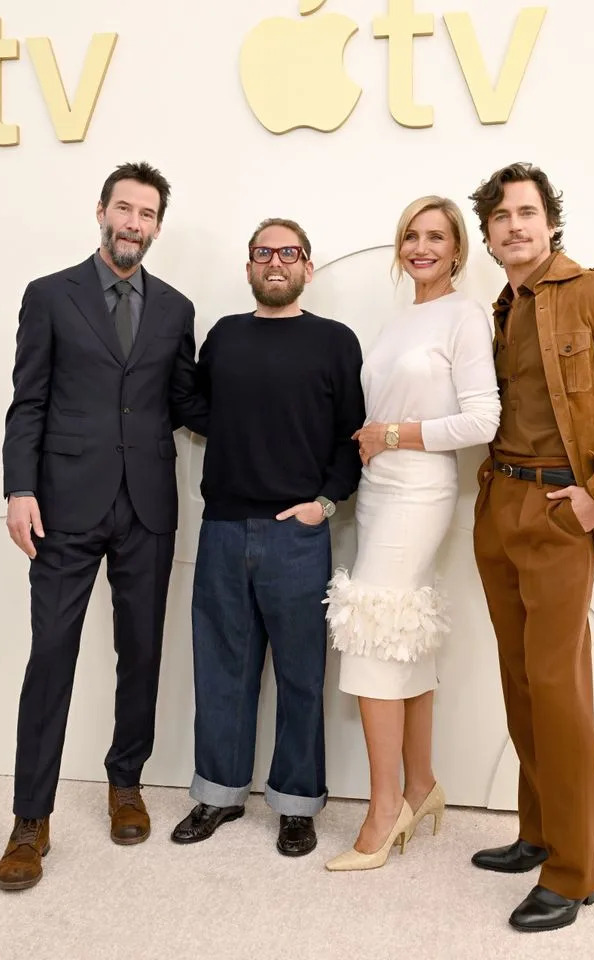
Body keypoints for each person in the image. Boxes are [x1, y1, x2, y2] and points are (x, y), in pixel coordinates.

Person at [468, 162, 594, 932]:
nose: (514, 226)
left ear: (550, 221)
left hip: (561, 510)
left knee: (558, 687)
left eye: (526, 212)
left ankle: (574, 871)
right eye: (501, 217)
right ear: (488, 236)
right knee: (521, 682)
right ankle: (538, 832)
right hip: (500, 502)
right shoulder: (499, 310)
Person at [0, 162, 209, 891]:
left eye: (146, 214)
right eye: (124, 209)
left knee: (141, 651)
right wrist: (20, 487)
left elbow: (186, 403)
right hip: (63, 506)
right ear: (101, 211)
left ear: (157, 227)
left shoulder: (177, 308)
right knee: (51, 654)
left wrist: (270, 406)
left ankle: (126, 782)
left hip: (148, 505)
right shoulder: (49, 295)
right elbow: (28, 400)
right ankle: (30, 819)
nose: (133, 223)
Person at [170, 218, 364, 857]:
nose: (275, 262)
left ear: (307, 266)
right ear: (249, 266)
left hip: (297, 534)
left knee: (302, 675)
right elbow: (194, 405)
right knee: (221, 669)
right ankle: (219, 794)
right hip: (224, 528)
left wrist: (324, 504)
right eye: (263, 253)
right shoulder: (225, 335)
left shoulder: (335, 341)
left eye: (288, 252)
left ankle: (297, 804)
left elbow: (351, 435)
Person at [323, 196, 500, 871]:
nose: (421, 247)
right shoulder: (399, 321)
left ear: (457, 250)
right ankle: (421, 786)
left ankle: (384, 809)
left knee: (371, 629)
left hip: (420, 489)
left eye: (436, 237)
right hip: (379, 490)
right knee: (403, 632)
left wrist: (394, 434)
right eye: (411, 236)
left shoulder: (464, 316)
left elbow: (482, 420)